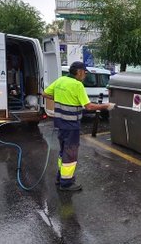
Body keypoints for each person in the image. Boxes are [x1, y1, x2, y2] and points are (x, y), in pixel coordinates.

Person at [43, 61, 115, 191]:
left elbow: (45, 93)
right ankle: (66, 183)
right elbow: (89, 106)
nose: (85, 75)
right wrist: (106, 106)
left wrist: (59, 97)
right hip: (71, 126)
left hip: (60, 124)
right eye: (85, 72)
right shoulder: (77, 85)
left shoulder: (61, 80)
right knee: (70, 155)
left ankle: (60, 178)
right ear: (79, 72)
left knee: (63, 152)